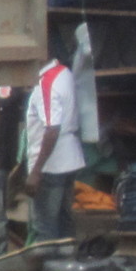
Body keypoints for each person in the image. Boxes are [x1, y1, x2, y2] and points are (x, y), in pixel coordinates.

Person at [23, 45, 87, 245]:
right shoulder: (64, 72)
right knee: (64, 220)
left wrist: (36, 172)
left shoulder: (46, 84)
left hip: (52, 164)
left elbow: (52, 129)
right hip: (70, 158)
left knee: (46, 226)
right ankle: (66, 267)